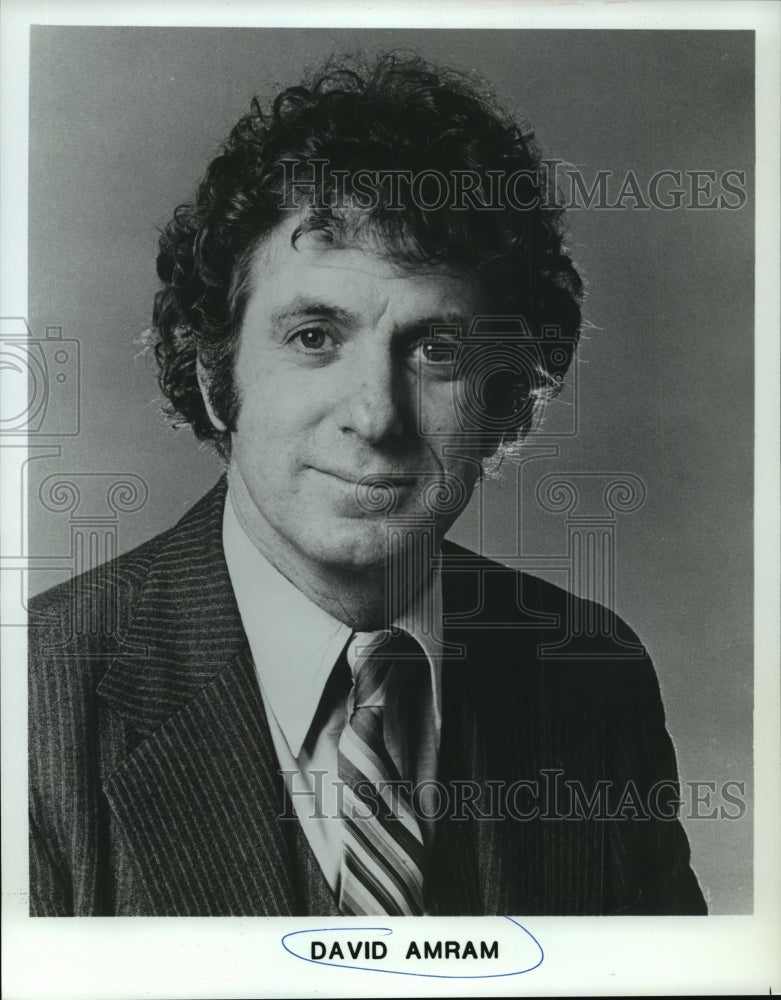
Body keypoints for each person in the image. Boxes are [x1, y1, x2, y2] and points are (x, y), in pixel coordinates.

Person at [28, 53, 707, 916]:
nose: (375, 417)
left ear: (506, 396)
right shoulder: (34, 694)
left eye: (437, 351)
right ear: (210, 375)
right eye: (313, 336)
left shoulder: (592, 676)